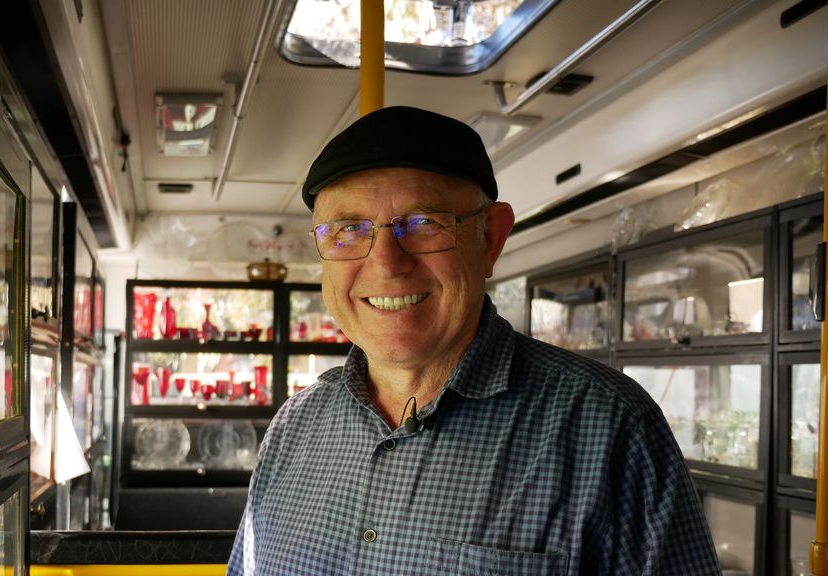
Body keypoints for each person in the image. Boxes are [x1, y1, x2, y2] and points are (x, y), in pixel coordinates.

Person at [226, 106, 720, 575]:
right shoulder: (294, 426)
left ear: (490, 239)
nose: (385, 264)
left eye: (423, 224)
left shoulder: (610, 426)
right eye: (348, 230)